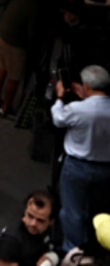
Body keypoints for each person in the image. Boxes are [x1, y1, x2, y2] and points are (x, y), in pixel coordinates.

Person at [52, 65, 110, 252]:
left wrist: (60, 96)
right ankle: (92, 247)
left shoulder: (77, 109)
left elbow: (58, 119)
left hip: (77, 167)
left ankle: (73, 252)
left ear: (86, 86)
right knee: (94, 210)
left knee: (72, 212)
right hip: (104, 168)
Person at [0, 190, 59, 266]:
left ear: (51, 221)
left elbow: (58, 248)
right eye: (30, 216)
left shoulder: (51, 228)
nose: (33, 223)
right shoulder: (10, 242)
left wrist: (51, 257)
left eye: (40, 220)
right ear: (25, 211)